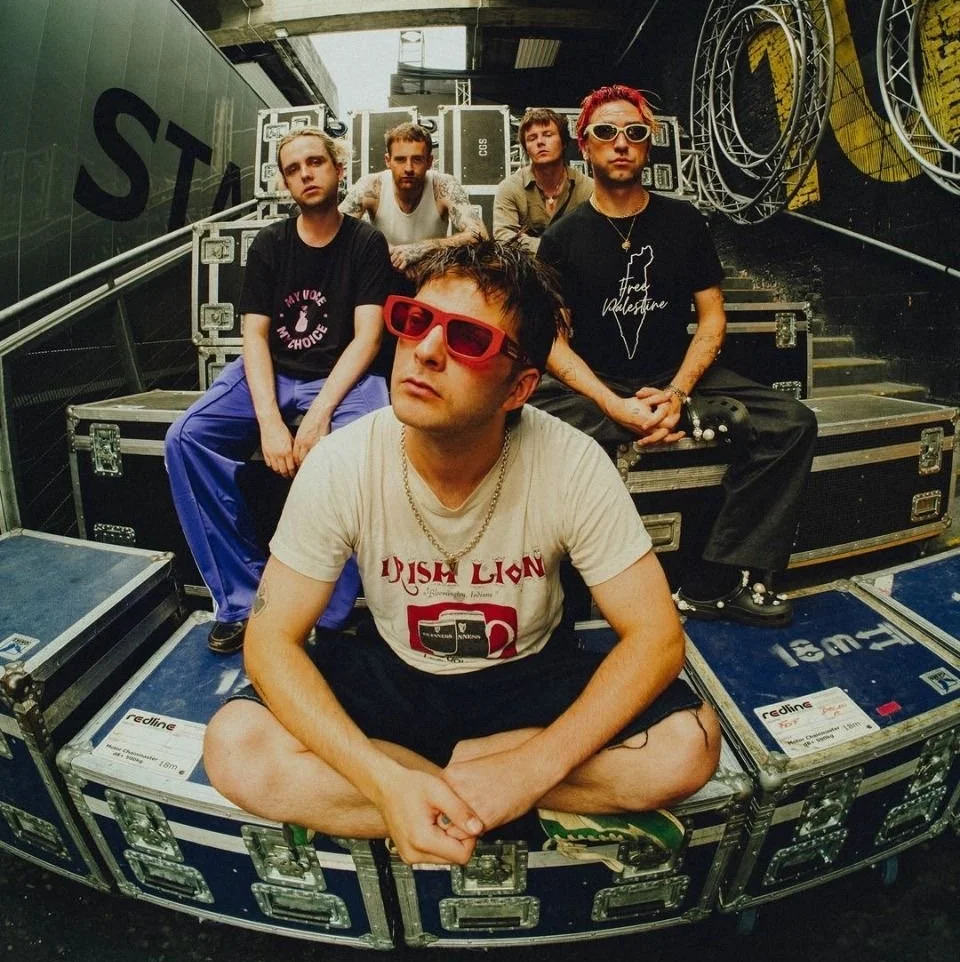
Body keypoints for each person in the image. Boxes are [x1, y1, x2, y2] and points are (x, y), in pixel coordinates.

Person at [203, 241, 720, 867]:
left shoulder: (573, 462)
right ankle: (456, 804)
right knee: (235, 748)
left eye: (469, 340)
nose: (425, 350)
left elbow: (657, 639)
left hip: (525, 679)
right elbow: (270, 641)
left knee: (687, 746)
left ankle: (413, 809)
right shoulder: (342, 460)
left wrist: (530, 767)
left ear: (519, 387)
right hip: (398, 675)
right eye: (414, 321)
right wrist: (383, 781)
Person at [531, 85, 818, 627]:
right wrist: (614, 406)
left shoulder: (684, 221)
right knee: (533, 423)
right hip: (597, 386)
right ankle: (686, 423)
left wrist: (679, 392)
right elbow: (550, 342)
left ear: (650, 143)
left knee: (794, 422)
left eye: (635, 133)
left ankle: (715, 580)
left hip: (673, 377)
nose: (622, 143)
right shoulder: (563, 237)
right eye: (606, 133)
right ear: (585, 147)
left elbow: (712, 317)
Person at [165, 127, 392, 653]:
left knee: (369, 451)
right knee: (186, 438)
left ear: (338, 170)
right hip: (270, 370)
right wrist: (270, 419)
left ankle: (323, 613)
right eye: (293, 168)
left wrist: (317, 420)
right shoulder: (270, 243)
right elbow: (255, 335)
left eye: (315, 162)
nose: (306, 173)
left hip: (341, 374)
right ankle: (244, 600)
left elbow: (368, 338)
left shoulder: (365, 241)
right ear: (286, 183)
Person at [339, 121, 486, 276]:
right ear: (388, 161)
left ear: (429, 162)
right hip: (383, 274)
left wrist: (420, 249)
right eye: (400, 159)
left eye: (417, 159)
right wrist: (380, 247)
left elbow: (480, 235)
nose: (408, 168)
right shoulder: (371, 186)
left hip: (429, 277)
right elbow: (335, 229)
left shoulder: (443, 186)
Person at [493, 107, 593, 251]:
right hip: (527, 271)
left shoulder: (589, 189)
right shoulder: (510, 187)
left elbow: (594, 239)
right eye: (532, 138)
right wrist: (554, 249)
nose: (540, 142)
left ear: (564, 142)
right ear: (526, 149)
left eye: (548, 135)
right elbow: (504, 238)